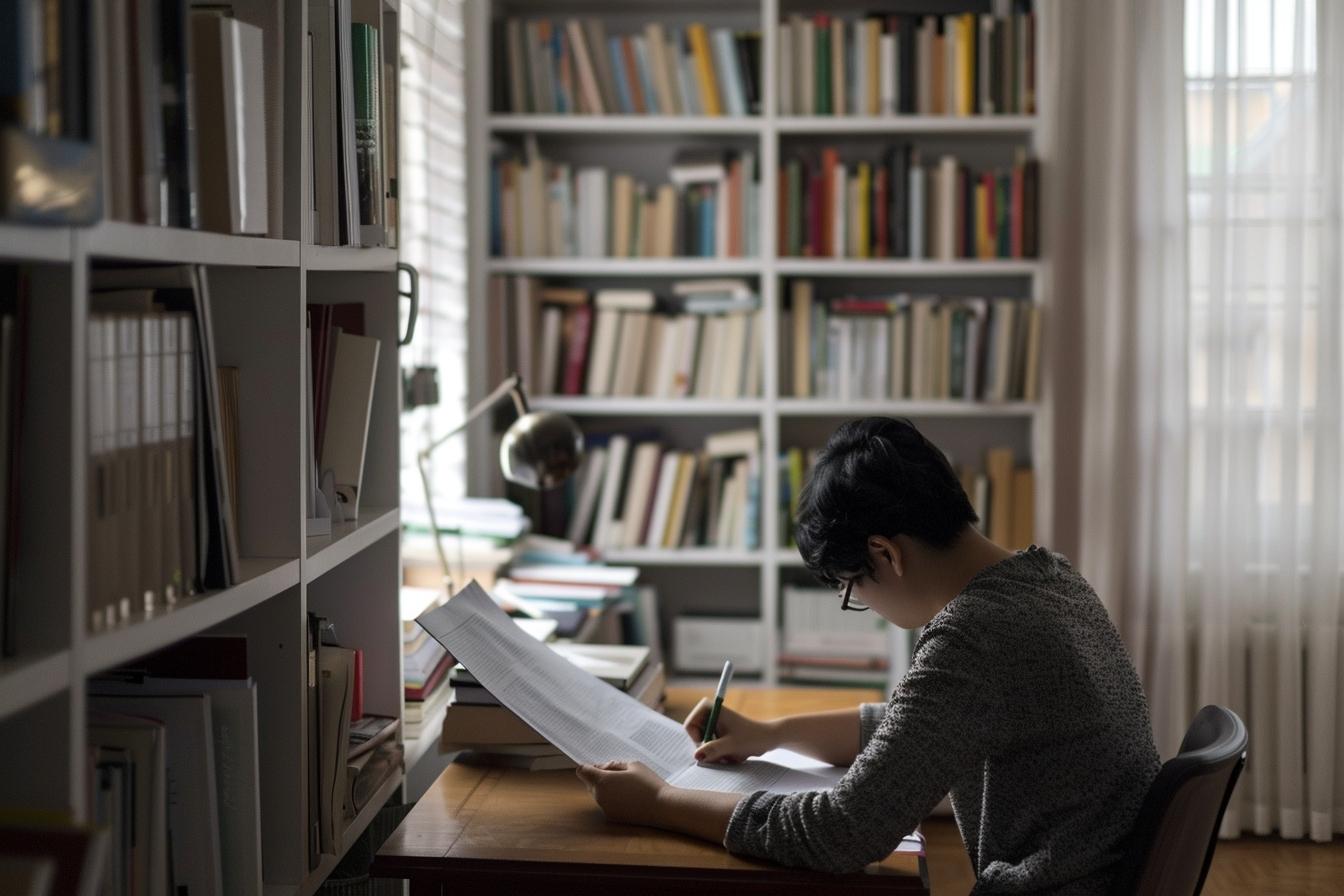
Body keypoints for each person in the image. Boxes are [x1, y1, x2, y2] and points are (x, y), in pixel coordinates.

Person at [577, 416, 1160, 894]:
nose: (859, 601)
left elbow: (841, 834)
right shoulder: (1050, 577)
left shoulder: (976, 633)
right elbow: (927, 728)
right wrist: (771, 733)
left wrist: (659, 802)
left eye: (851, 585)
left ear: (885, 553)